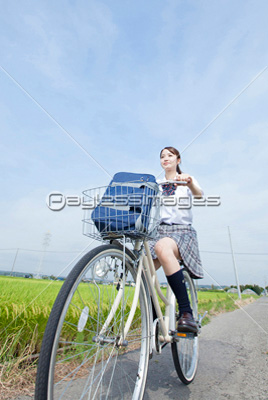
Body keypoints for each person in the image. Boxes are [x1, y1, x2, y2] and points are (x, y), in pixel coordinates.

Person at [148, 146, 204, 333]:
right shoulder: (156, 183)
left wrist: (188, 183)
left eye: (170, 155)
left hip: (182, 232)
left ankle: (186, 313)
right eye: (162, 156)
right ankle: (155, 319)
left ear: (178, 160)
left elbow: (199, 194)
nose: (165, 158)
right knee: (141, 265)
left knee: (162, 248)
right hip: (158, 231)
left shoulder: (186, 179)